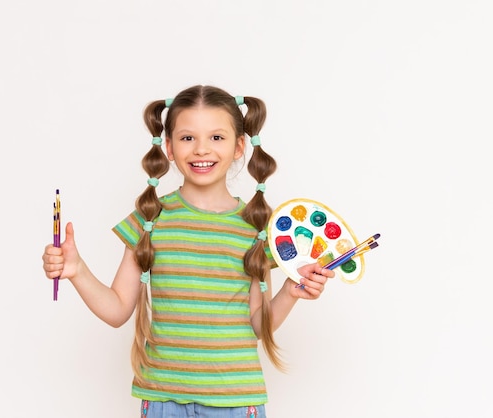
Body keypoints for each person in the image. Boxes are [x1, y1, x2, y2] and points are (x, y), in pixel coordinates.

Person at [42, 85, 334, 418]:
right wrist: (77, 270)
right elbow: (117, 309)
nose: (201, 150)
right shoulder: (150, 219)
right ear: (167, 146)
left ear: (240, 146)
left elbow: (257, 323)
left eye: (217, 137)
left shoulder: (257, 227)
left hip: (235, 401)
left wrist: (290, 291)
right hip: (163, 399)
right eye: (187, 138)